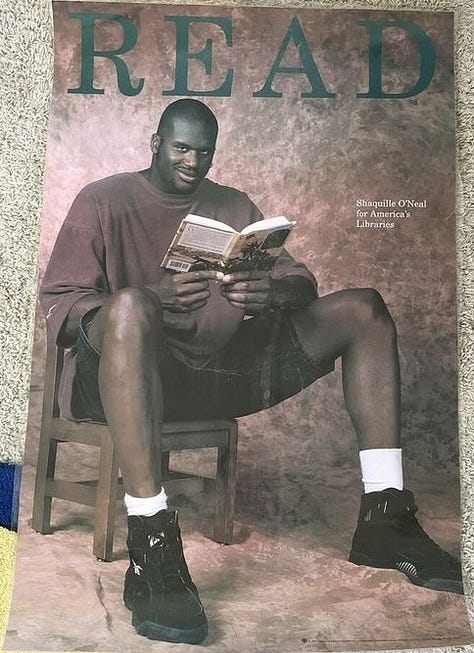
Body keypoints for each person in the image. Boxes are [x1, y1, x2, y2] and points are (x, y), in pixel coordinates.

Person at [40, 98, 462, 645]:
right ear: (156, 144)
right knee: (130, 306)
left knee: (365, 308)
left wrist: (271, 291)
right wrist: (150, 298)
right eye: (182, 148)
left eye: (205, 151)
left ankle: (385, 517)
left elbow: (301, 281)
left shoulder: (233, 204)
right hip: (120, 382)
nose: (194, 161)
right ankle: (152, 542)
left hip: (217, 376)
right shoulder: (101, 199)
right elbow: (59, 305)